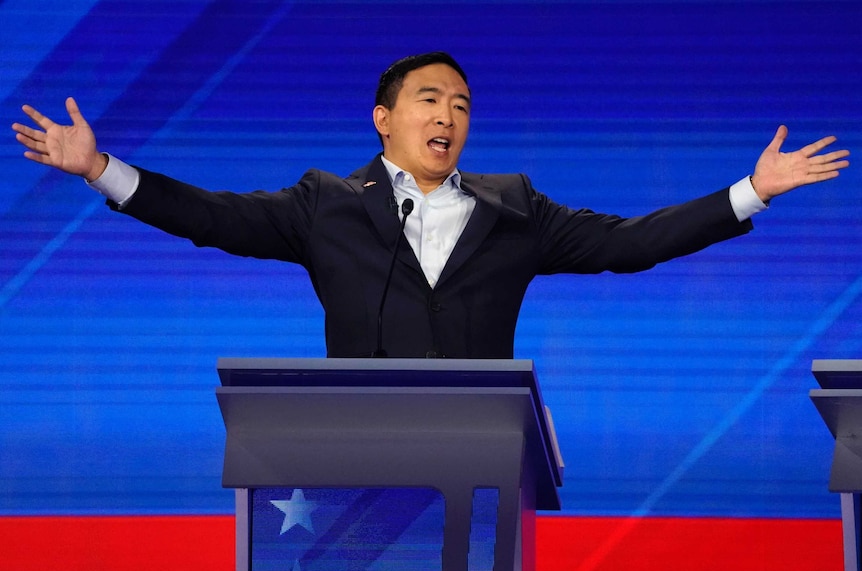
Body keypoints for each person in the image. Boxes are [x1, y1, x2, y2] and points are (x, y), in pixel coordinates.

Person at [11, 52, 850, 359]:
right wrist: (102, 169)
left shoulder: (514, 207)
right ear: (385, 117)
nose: (448, 115)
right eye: (429, 99)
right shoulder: (324, 203)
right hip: (351, 448)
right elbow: (212, 217)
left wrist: (750, 192)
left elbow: (630, 243)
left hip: (481, 448)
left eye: (461, 103)